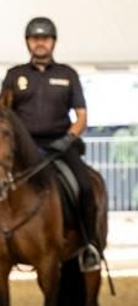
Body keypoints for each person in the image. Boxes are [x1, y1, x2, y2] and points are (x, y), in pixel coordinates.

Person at [4, 17, 102, 269]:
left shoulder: (67, 75)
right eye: (35, 38)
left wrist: (68, 138)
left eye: (45, 38)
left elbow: (81, 116)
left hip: (59, 146)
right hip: (23, 150)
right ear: (28, 42)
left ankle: (89, 246)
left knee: (85, 186)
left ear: (53, 42)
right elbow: (3, 115)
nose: (40, 43)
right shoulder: (15, 75)